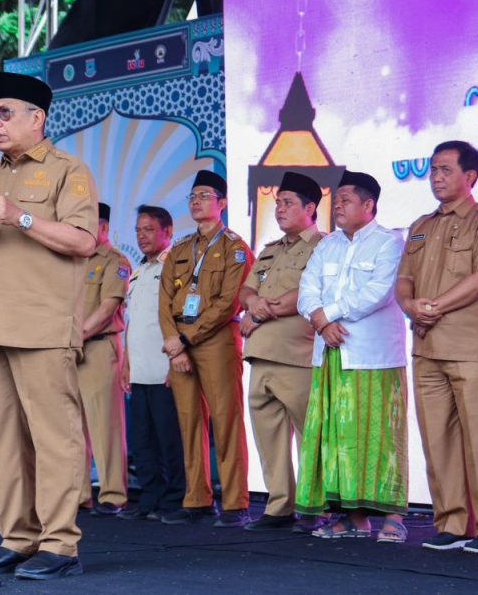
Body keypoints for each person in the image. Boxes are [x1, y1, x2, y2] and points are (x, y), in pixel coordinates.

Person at [0, 72, 98, 581]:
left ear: (37, 118)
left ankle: (60, 544)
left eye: (5, 112)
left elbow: (83, 242)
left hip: (41, 325)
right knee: (6, 443)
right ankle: (18, 538)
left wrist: (21, 217)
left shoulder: (68, 171)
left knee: (54, 438)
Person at [394, 141, 478, 555]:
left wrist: (435, 307)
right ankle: (451, 522)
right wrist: (411, 306)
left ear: (471, 177)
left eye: (446, 170)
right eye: (433, 170)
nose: (437, 177)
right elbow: (404, 279)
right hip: (426, 348)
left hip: (470, 348)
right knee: (437, 441)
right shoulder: (420, 225)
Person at [296, 171, 409, 541]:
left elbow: (379, 291)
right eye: (337, 199)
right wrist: (319, 319)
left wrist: (328, 315)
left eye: (346, 199)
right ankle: (353, 517)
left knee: (381, 436)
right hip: (331, 355)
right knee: (339, 438)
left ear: (368, 205)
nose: (338, 206)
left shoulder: (389, 242)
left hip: (373, 357)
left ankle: (394, 517)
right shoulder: (327, 245)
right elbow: (306, 289)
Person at [158, 169, 254, 528]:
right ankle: (196, 499)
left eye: (205, 196)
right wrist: (175, 345)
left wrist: (185, 338)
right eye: (193, 196)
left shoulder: (235, 248)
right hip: (179, 344)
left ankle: (235, 502)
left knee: (226, 420)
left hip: (216, 340)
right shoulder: (181, 248)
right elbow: (164, 300)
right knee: (189, 422)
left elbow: (229, 302)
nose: (197, 201)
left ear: (223, 203)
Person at [237, 172, 324, 533]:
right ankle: (278, 504)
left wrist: (258, 310)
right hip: (260, 353)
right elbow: (245, 291)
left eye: (288, 203)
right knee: (268, 436)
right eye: (278, 203)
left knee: (309, 434)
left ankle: (312, 505)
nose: (280, 209)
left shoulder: (323, 246)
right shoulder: (270, 249)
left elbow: (306, 294)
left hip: (296, 353)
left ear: (311, 208)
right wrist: (253, 303)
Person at [118, 204, 185, 521]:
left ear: (167, 231)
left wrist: (175, 362)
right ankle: (149, 498)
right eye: (138, 230)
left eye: (149, 229)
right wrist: (126, 363)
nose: (142, 236)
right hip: (140, 368)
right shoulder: (138, 270)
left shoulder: (175, 266)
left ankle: (175, 499)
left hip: (164, 368)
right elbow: (133, 321)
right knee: (142, 440)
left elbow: (180, 319)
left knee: (169, 437)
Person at [78, 201, 131, 515]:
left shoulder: (115, 261)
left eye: (87, 223)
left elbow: (107, 308)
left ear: (104, 227)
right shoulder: (73, 259)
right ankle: (79, 494)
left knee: (105, 426)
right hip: (70, 350)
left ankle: (112, 495)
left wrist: (76, 335)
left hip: (99, 347)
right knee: (73, 429)